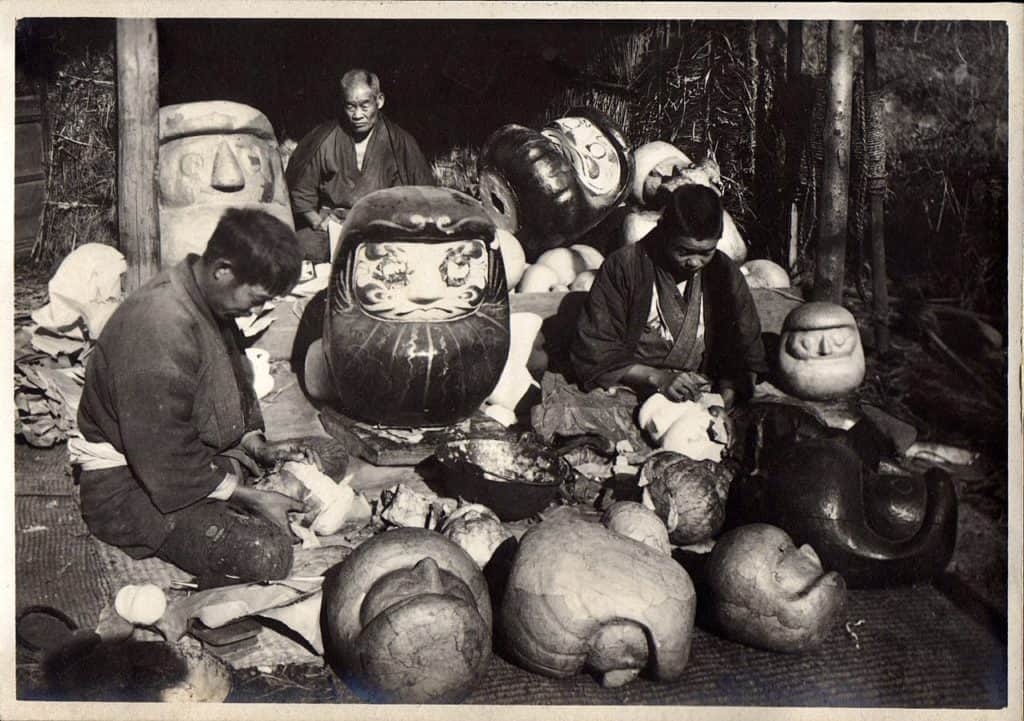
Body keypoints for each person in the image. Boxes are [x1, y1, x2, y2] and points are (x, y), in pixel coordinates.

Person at [72, 208, 321, 588]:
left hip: (203, 459)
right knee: (266, 554)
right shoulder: (158, 324)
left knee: (324, 454)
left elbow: (238, 389)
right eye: (256, 298)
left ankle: (245, 490)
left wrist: (257, 445)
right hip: (133, 488)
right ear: (223, 270)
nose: (258, 310)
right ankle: (238, 505)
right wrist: (248, 497)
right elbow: (163, 455)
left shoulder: (210, 300)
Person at [571, 183, 766, 410]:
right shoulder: (625, 266)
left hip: (702, 388)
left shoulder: (723, 272)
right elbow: (595, 348)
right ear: (664, 232)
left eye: (705, 253)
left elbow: (747, 347)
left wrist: (724, 397)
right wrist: (657, 378)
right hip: (635, 386)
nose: (694, 262)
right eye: (683, 250)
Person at [286, 68, 436, 262]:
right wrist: (318, 222)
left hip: (383, 229)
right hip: (332, 229)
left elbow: (421, 196)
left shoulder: (399, 143)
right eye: (350, 107)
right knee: (294, 249)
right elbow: (300, 191)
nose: (357, 115)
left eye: (365, 106)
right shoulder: (325, 139)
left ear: (379, 101)